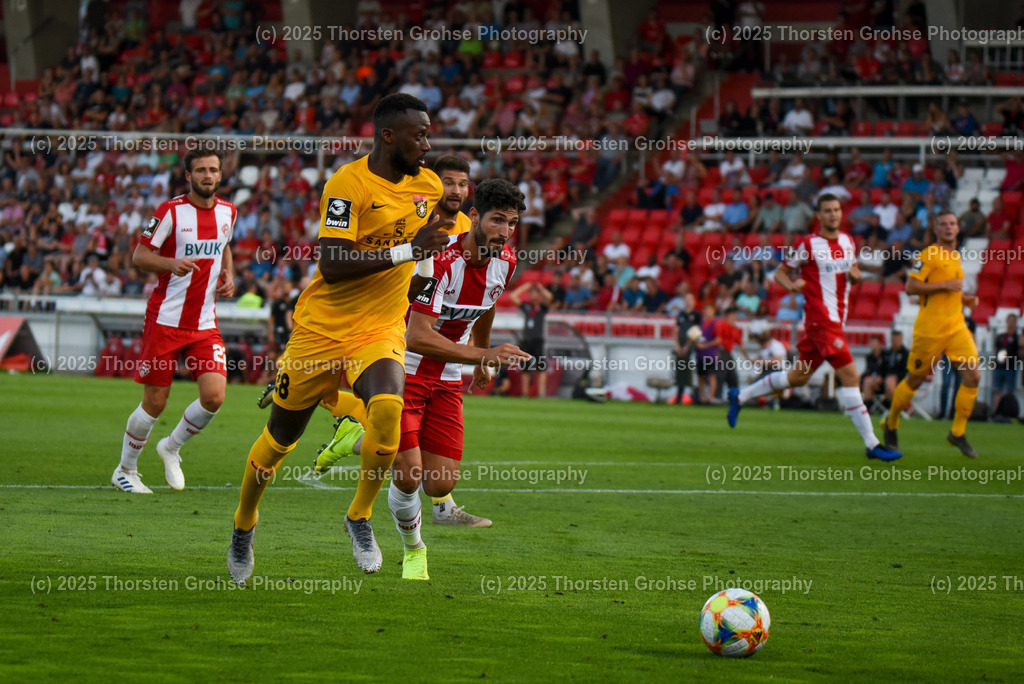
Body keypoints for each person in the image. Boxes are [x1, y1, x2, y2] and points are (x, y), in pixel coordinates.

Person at [227, 94, 452, 584]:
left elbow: (430, 241)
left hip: (380, 327)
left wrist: (422, 276)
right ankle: (245, 523)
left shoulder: (429, 185)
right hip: (321, 331)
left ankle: (359, 516)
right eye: (419, 134)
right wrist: (407, 251)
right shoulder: (347, 184)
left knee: (389, 408)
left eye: (429, 132)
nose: (427, 142)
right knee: (280, 439)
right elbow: (332, 264)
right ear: (388, 135)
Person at [313, 179, 531, 580]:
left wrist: (482, 359)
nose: (504, 231)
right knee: (409, 473)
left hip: (447, 377)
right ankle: (414, 549)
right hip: (404, 367)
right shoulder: (441, 261)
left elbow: (486, 306)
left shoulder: (507, 261)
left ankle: (356, 434)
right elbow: (418, 335)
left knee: (439, 482)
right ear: (476, 218)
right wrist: (483, 353)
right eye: (498, 220)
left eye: (512, 223)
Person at [728, 194, 902, 461]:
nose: (833, 214)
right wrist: (792, 286)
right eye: (827, 211)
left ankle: (741, 396)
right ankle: (872, 444)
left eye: (836, 210)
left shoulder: (847, 241)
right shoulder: (808, 244)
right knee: (852, 377)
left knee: (798, 377)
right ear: (818, 215)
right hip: (821, 321)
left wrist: (855, 277)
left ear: (841, 213)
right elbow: (780, 273)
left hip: (835, 322)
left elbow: (851, 272)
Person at [112, 148, 236, 494]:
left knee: (214, 396)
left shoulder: (229, 211)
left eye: (213, 170)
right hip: (165, 320)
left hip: (204, 323)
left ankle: (171, 446)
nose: (207, 175)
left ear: (220, 175)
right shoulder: (170, 211)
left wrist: (229, 273)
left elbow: (225, 245)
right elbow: (139, 255)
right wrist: (171, 264)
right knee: (155, 401)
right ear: (188, 175)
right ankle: (125, 470)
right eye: (200, 170)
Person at [883, 211, 981, 458]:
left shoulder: (955, 256)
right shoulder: (928, 254)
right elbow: (911, 286)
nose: (948, 228)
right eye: (943, 225)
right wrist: (944, 286)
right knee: (914, 380)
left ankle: (957, 433)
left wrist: (966, 300)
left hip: (957, 327)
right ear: (936, 230)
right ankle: (891, 423)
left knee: (973, 377)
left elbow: (951, 293)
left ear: (958, 228)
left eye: (952, 224)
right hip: (930, 331)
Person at [510, 281, 554, 397]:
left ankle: (541, 393)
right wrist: (525, 286)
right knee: (525, 368)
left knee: (541, 367)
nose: (534, 295)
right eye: (532, 293)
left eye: (536, 293)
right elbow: (513, 296)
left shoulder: (542, 308)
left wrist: (541, 287)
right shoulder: (526, 307)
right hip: (527, 339)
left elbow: (550, 297)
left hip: (538, 339)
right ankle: (525, 393)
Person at [673, 292, 701, 405]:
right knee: (680, 371)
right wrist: (678, 345)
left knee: (692, 371)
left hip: (692, 347)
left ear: (694, 302)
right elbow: (676, 330)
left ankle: (695, 397)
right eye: (686, 299)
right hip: (681, 347)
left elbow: (697, 331)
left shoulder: (697, 315)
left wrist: (687, 345)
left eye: (691, 299)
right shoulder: (681, 314)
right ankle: (679, 396)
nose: (688, 301)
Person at [991, 314, 1020, 416]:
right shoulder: (1000, 337)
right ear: (1007, 322)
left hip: (1010, 367)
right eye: (1010, 320)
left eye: (1013, 321)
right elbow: (995, 350)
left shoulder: (1017, 338)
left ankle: (1007, 412)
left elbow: (1020, 352)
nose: (1011, 323)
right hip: (999, 366)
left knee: (1009, 391)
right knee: (997, 390)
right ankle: (996, 411)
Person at [881, 330, 909, 405]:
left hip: (900, 380)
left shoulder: (906, 354)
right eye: (893, 340)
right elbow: (882, 367)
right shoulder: (886, 353)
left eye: (897, 340)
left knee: (890, 380)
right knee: (868, 381)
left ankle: (895, 406)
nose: (895, 342)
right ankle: (868, 406)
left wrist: (896, 376)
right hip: (885, 378)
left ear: (901, 340)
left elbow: (907, 370)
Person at [860, 335, 886, 407]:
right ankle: (867, 403)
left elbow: (887, 370)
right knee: (865, 380)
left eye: (875, 343)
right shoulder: (869, 357)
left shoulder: (885, 356)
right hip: (872, 381)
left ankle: (867, 405)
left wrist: (881, 377)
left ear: (879, 344)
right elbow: (868, 371)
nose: (873, 345)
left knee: (867, 381)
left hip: (883, 382)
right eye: (872, 343)